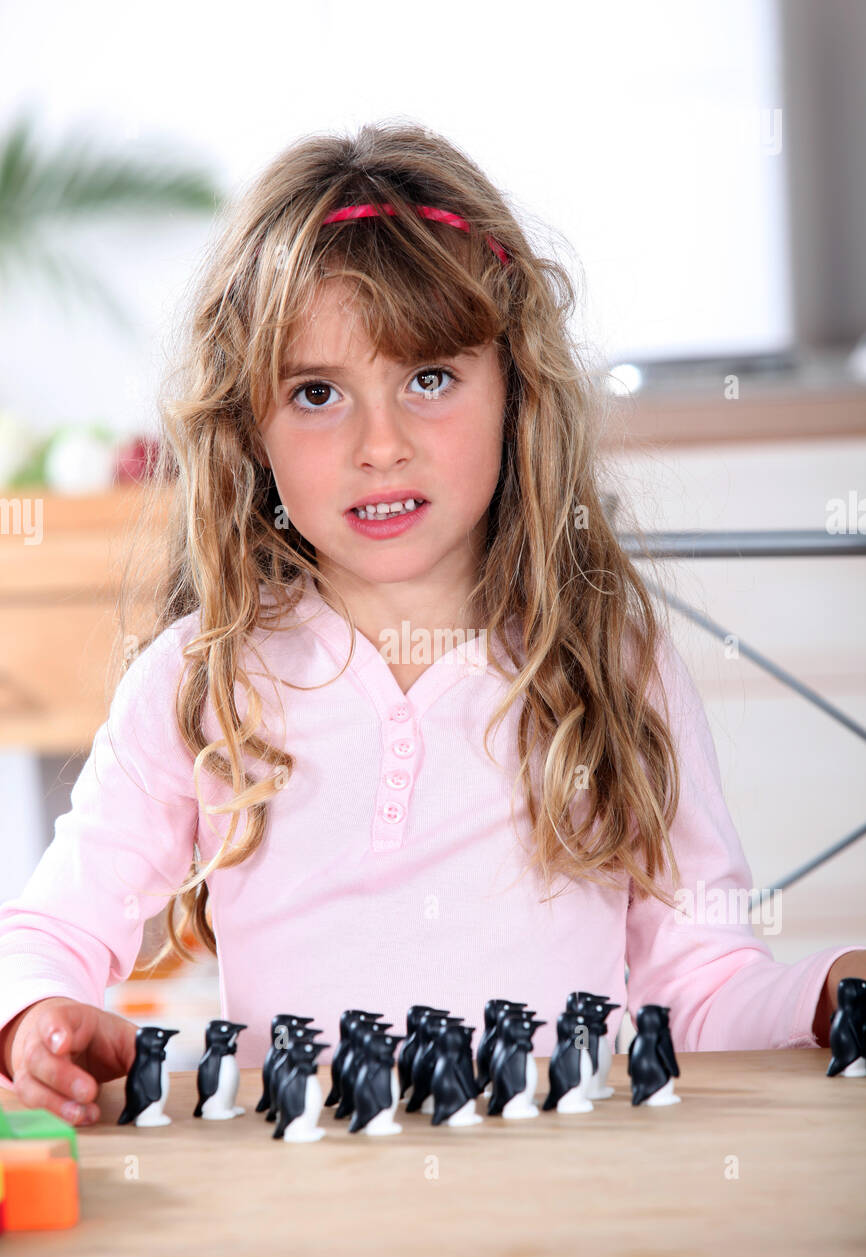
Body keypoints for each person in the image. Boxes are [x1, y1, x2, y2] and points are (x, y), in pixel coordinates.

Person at [1, 120, 862, 1126]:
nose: (381, 444)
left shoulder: (605, 660)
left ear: (515, 392)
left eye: (430, 378)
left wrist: (826, 989)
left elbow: (702, 986)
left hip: (562, 1220)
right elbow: (49, 927)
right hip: (305, 1234)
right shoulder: (197, 683)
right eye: (317, 393)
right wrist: (37, 1018)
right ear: (250, 429)